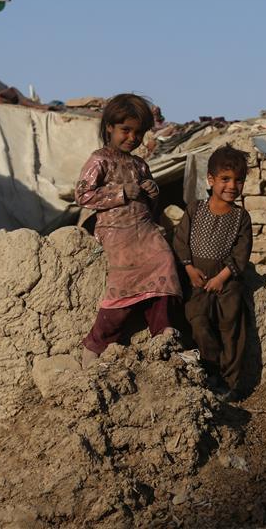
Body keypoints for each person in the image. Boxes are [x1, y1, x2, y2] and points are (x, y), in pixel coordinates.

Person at [75, 93, 182, 364]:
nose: (132, 138)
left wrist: (151, 190)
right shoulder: (99, 160)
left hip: (144, 228)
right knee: (124, 280)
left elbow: (152, 201)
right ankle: (96, 343)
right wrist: (121, 192)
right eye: (126, 130)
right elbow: (83, 195)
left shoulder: (140, 164)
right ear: (109, 126)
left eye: (138, 133)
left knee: (165, 261)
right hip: (114, 230)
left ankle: (163, 331)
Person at [173, 146, 253, 401]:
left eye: (238, 180)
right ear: (211, 179)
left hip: (227, 280)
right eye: (225, 179)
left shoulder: (242, 217)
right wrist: (188, 268)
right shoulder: (195, 209)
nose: (232, 186)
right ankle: (211, 373)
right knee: (197, 322)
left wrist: (222, 277)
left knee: (231, 327)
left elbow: (242, 251)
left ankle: (231, 382)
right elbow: (180, 241)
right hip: (196, 278)